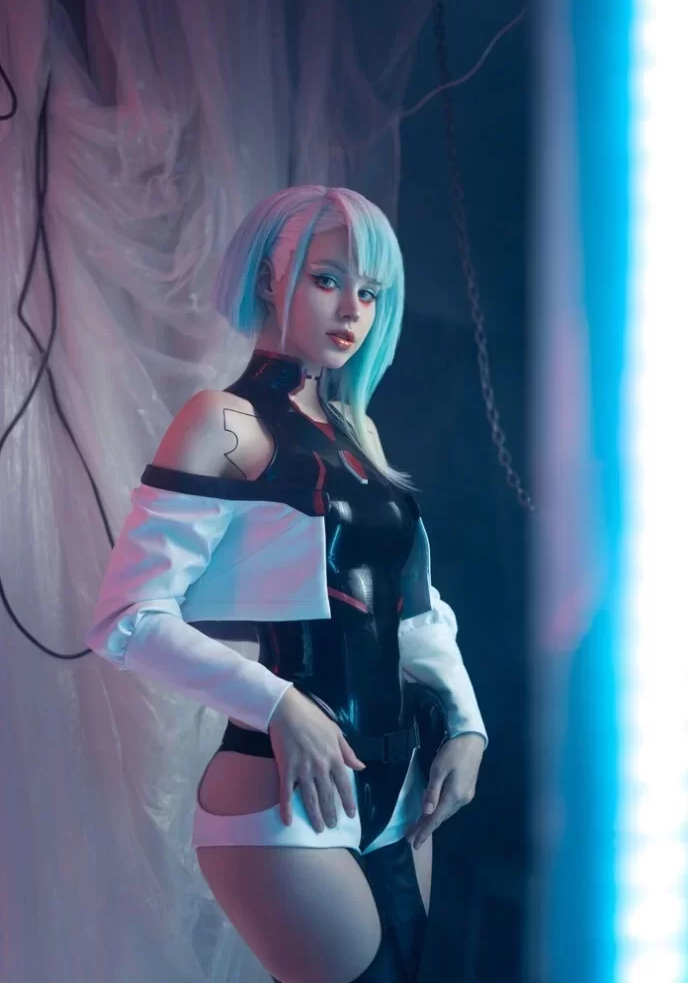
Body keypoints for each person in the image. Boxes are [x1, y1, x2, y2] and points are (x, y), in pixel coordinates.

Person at [85, 185, 487, 983]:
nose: (352, 310)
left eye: (370, 292)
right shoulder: (223, 422)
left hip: (400, 783)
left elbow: (414, 610)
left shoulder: (358, 431)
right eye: (327, 278)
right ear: (272, 278)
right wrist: (279, 704)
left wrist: (469, 728)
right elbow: (127, 618)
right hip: (282, 789)